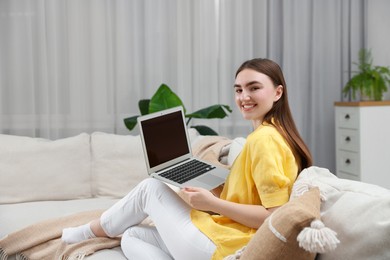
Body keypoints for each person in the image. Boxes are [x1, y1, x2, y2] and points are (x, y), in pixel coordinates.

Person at [61, 58, 312, 260]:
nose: (243, 97)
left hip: (226, 245)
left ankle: (88, 231)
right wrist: (217, 190)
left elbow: (273, 215)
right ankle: (97, 228)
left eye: (254, 88)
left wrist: (213, 204)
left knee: (151, 188)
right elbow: (255, 194)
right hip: (224, 235)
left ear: (278, 92)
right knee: (132, 236)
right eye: (238, 90)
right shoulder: (274, 132)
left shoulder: (264, 140)